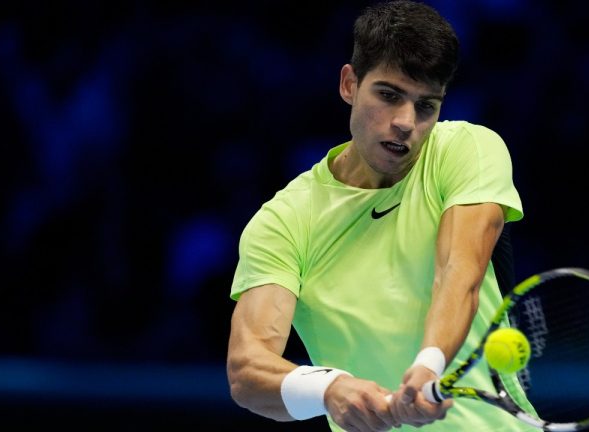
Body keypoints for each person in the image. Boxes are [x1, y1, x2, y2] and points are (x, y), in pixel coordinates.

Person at [226, 1, 534, 431]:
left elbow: (458, 271)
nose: (406, 122)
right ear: (349, 84)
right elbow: (247, 368)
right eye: (388, 96)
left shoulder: (466, 150)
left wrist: (429, 365)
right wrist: (329, 388)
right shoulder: (285, 221)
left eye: (426, 106)